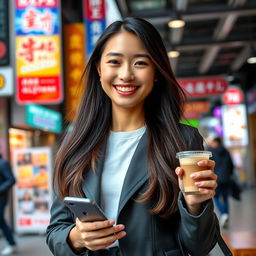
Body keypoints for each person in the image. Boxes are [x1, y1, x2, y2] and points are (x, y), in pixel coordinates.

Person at [46, 17, 219, 256]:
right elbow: (55, 231)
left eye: (140, 63)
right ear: (99, 68)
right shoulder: (75, 141)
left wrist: (195, 205)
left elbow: (199, 246)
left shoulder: (183, 140)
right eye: (114, 62)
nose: (126, 74)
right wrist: (77, 238)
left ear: (156, 71)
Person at [208, 137, 234, 229]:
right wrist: (229, 174)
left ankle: (223, 214)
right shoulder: (226, 151)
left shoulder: (211, 152)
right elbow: (231, 165)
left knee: (215, 197)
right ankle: (226, 215)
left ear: (215, 142)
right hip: (226, 178)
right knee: (225, 198)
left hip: (217, 178)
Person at [0, 154, 17, 255]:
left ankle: (11, 243)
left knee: (1, 221)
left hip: (0, 199)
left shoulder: (3, 163)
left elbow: (11, 180)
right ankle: (11, 243)